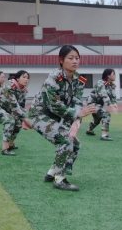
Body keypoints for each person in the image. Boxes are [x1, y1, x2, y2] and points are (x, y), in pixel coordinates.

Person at [23, 45, 97, 192]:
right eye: (70, 58)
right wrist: (77, 114)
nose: (75, 61)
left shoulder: (79, 80)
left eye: (77, 58)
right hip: (39, 115)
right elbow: (53, 105)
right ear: (61, 60)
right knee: (65, 140)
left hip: (56, 116)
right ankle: (60, 179)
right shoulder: (53, 79)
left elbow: (76, 100)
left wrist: (77, 118)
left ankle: (52, 172)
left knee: (75, 144)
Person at [0, 70, 29, 156]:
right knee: (10, 121)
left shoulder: (23, 90)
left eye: (27, 78)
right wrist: (26, 120)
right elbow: (14, 106)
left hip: (6, 108)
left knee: (18, 123)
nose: (26, 79)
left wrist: (24, 119)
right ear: (17, 78)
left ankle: (11, 144)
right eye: (24, 77)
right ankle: (4, 149)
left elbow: (21, 105)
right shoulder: (9, 86)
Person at [85, 68, 118, 141]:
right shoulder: (100, 83)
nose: (115, 76)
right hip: (92, 103)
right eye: (113, 74)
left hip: (99, 104)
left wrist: (114, 104)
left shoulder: (112, 85)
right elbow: (104, 95)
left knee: (97, 119)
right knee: (106, 114)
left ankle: (89, 130)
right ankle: (104, 135)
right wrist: (110, 105)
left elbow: (113, 97)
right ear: (108, 76)